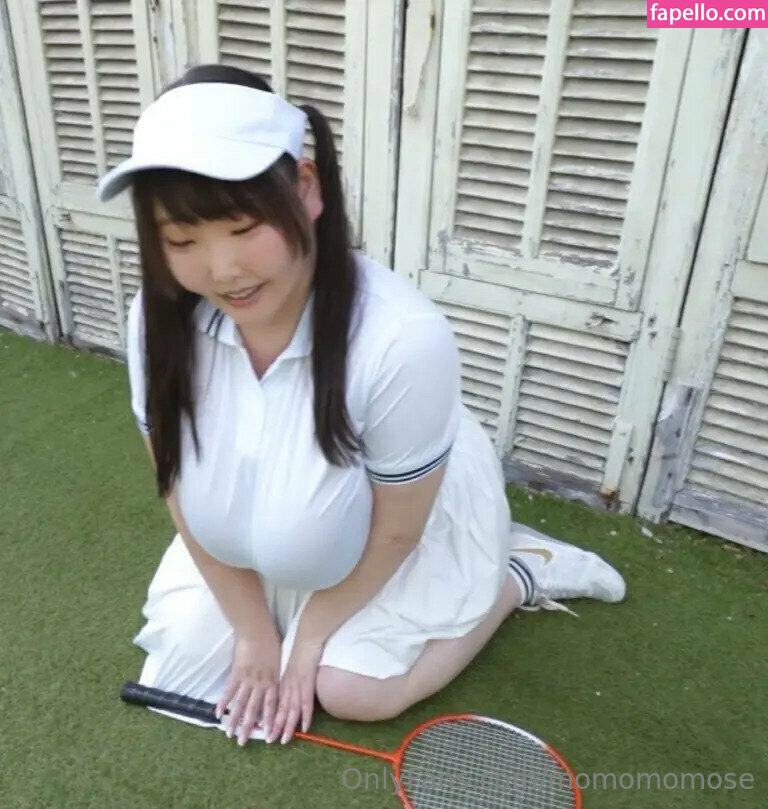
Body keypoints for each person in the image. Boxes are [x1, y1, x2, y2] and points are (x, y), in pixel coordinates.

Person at [97, 64, 626, 749]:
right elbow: (177, 487)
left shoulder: (402, 338)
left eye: (244, 226)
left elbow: (396, 530)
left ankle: (520, 570)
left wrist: (307, 639)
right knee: (189, 676)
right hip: (267, 502)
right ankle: (284, 586)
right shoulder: (156, 321)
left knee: (351, 691)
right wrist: (255, 634)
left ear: (306, 188)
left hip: (401, 514)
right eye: (182, 241)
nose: (222, 270)